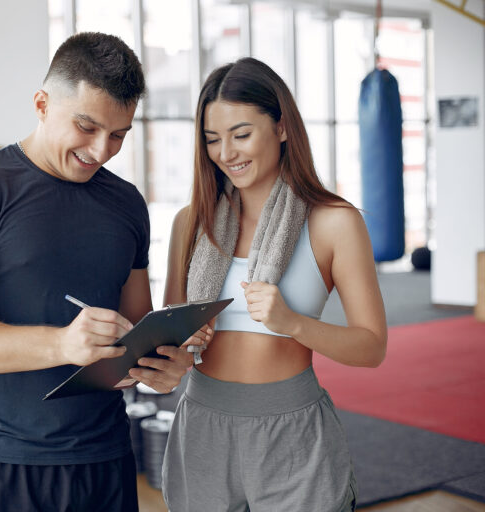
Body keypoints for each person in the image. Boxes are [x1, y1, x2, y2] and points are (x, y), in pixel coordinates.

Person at [0, 32, 201, 512]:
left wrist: (159, 367)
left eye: (119, 134)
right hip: (4, 466)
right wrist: (61, 344)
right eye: (86, 127)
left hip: (106, 460)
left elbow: (136, 327)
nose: (102, 149)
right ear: (42, 103)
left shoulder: (126, 202)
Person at [161, 57, 388, 511]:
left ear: (282, 128)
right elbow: (169, 342)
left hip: (293, 431)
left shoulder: (335, 223)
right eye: (212, 139)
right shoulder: (191, 223)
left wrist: (293, 323)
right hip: (202, 424)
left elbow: (371, 347)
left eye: (241, 134)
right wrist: (179, 343)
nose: (226, 153)